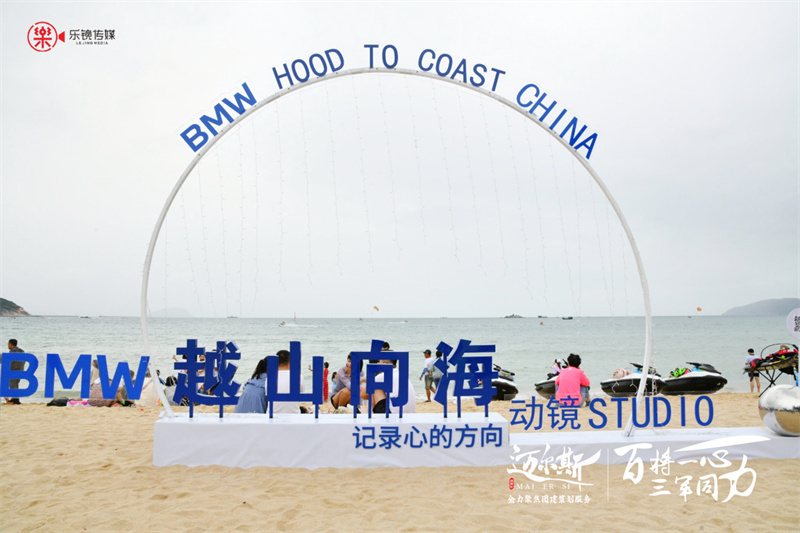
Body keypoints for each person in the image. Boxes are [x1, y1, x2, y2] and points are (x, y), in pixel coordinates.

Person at [270, 349, 305, 414]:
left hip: (273, 414)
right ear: (290, 361)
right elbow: (301, 396)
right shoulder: (299, 376)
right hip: (294, 414)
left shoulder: (270, 377)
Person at [4, 339, 25, 404]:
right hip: (21, 369)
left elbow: (8, 359)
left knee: (13, 384)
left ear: (10, 344)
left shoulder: (13, 351)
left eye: (8, 344)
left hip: (14, 369)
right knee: (15, 384)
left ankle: (16, 400)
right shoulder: (21, 351)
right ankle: (15, 399)